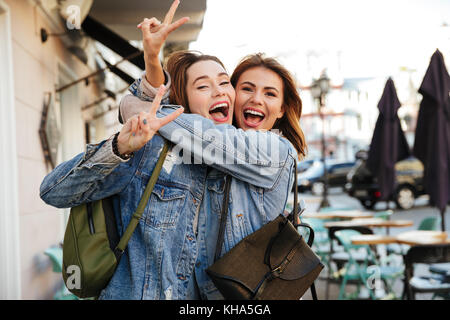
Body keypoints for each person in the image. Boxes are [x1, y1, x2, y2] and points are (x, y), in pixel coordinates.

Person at [40, 0, 306, 300]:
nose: (221, 91)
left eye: (223, 82)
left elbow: (208, 138)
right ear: (186, 100)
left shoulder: (275, 153)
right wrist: (117, 147)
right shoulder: (152, 151)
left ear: (283, 108)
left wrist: (138, 103)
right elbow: (53, 191)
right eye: (205, 86)